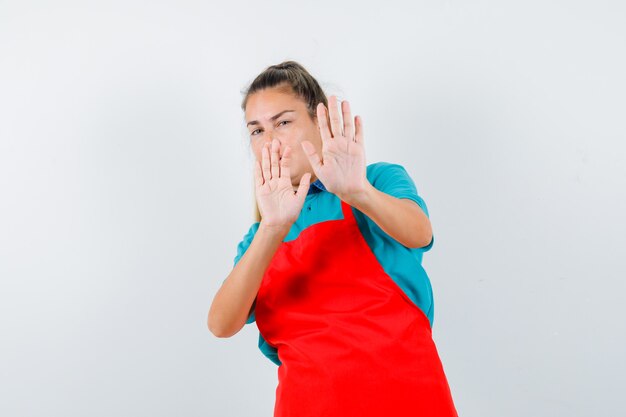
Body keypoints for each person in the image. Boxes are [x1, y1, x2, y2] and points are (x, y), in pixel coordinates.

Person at [208, 60, 458, 417]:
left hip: (408, 398)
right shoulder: (261, 237)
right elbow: (221, 323)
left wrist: (357, 192)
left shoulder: (377, 180)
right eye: (257, 130)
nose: (270, 140)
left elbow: (420, 233)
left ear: (318, 120)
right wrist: (273, 228)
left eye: (283, 122)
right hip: (309, 405)